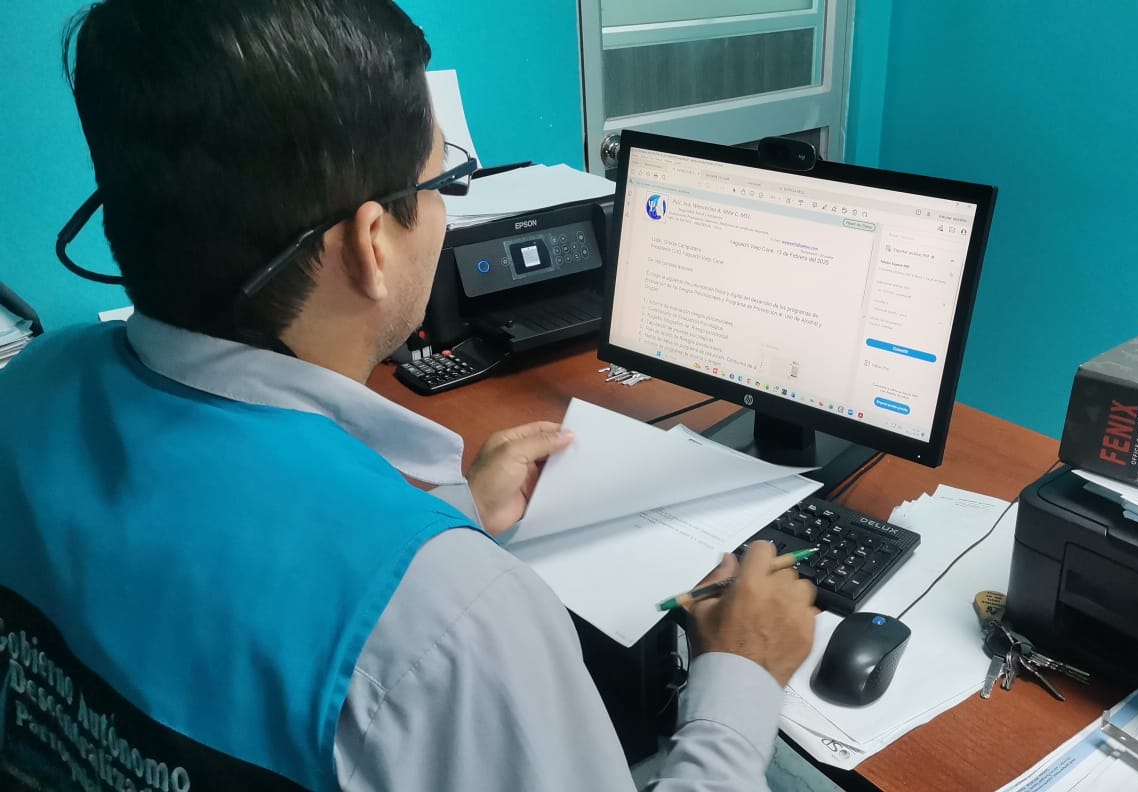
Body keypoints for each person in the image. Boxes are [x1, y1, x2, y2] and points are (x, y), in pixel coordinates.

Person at [0, 1, 817, 790]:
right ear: (371, 244)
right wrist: (738, 681)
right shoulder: (452, 618)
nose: (445, 211)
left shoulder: (30, 385)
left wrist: (451, 513)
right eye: (444, 183)